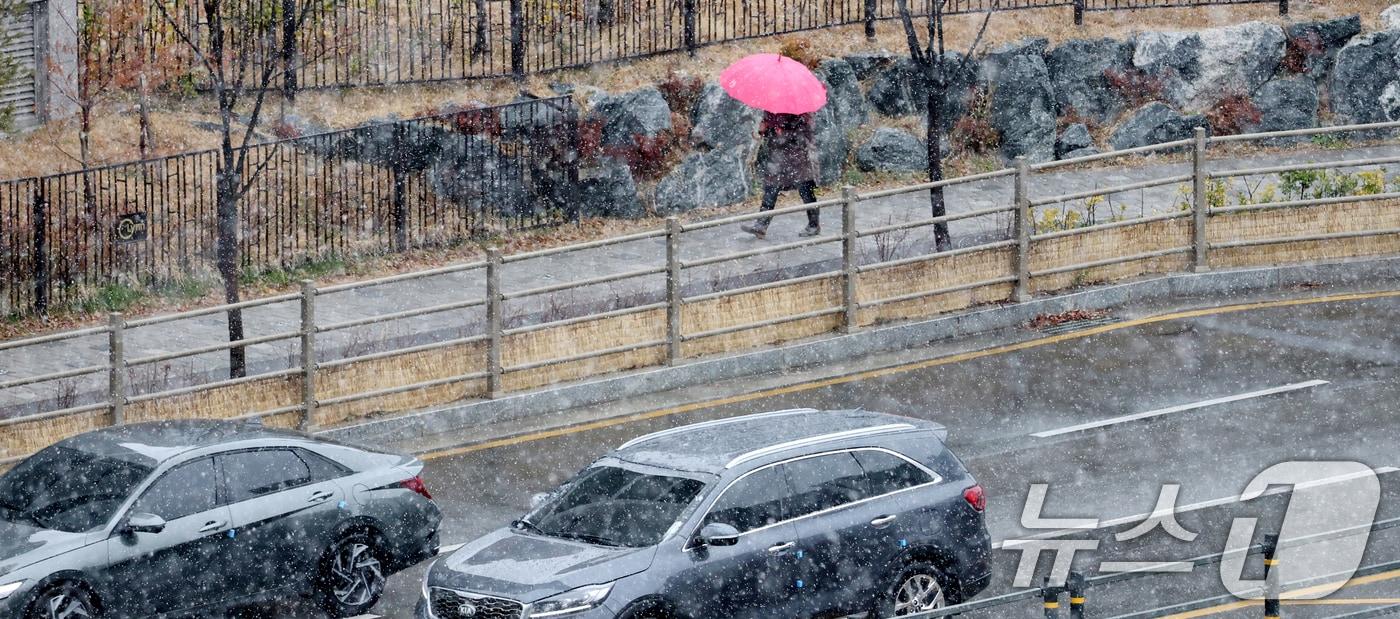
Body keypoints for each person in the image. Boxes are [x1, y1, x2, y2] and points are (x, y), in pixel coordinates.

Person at [741, 111, 820, 239]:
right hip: (778, 158)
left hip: (798, 158)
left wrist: (782, 132)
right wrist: (764, 130)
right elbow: (769, 134)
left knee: (806, 191)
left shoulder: (801, 112)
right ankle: (761, 224)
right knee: (770, 189)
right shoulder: (771, 111)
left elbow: (806, 134)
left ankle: (814, 224)